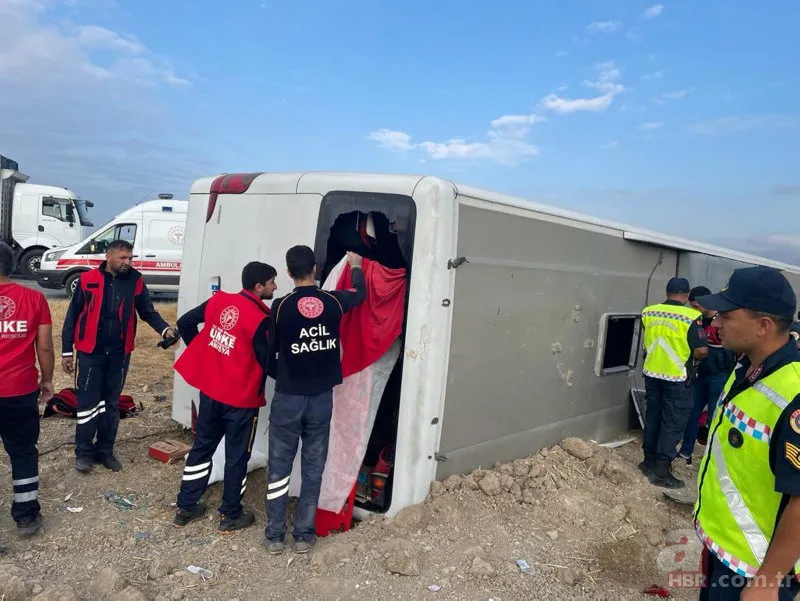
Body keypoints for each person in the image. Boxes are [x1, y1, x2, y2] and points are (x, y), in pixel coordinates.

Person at [692, 267, 800, 601]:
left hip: (757, 571)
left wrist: (768, 582)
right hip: (725, 552)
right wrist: (713, 542)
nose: (715, 323)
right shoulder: (747, 368)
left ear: (763, 325)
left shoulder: (793, 393)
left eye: (726, 315)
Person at [264, 246, 366, 555]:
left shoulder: (280, 306)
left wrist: (282, 375)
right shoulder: (334, 301)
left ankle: (275, 536)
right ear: (316, 269)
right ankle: (305, 535)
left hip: (288, 398)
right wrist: (357, 265)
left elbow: (270, 353)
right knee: (313, 466)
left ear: (288, 272)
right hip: (321, 398)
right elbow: (360, 294)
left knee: (279, 468)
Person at [171, 261, 277, 532]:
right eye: (272, 282)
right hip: (241, 401)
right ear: (258, 286)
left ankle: (186, 506)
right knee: (237, 456)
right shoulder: (260, 320)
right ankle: (230, 514)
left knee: (202, 448)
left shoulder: (219, 301)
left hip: (211, 393)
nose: (275, 287)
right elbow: (269, 365)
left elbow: (185, 322)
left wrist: (206, 351)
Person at [61, 239, 176, 473]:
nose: (128, 262)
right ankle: (84, 453)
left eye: (131, 258)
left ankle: (105, 451)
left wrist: (166, 329)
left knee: (110, 405)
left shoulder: (135, 281)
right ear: (109, 257)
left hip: (119, 354)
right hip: (90, 353)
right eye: (123, 258)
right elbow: (72, 317)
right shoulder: (87, 280)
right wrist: (66, 352)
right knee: (87, 405)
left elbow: (147, 312)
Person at [0, 242, 54, 537]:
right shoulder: (34, 299)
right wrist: (47, 380)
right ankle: (26, 515)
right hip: (19, 391)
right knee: (22, 452)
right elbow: (44, 346)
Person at [639, 277, 708, 488]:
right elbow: (702, 350)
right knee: (673, 422)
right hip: (677, 378)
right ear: (687, 296)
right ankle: (661, 470)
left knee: (653, 416)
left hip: (652, 374)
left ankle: (648, 461)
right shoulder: (692, 316)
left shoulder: (648, 312)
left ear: (667, 292)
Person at [678, 286, 737, 465]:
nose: (693, 309)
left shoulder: (721, 320)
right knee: (692, 413)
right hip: (700, 375)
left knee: (714, 418)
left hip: (720, 376)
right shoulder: (696, 322)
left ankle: (710, 459)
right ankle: (685, 453)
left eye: (696, 306)